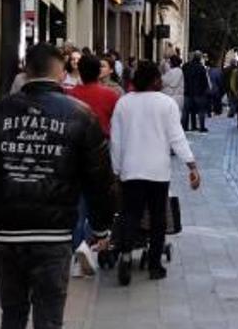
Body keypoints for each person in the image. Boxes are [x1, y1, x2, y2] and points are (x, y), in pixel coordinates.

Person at [0, 43, 115, 329]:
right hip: (54, 235)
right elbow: (99, 178)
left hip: (7, 235)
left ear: (25, 69)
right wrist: (100, 227)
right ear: (61, 73)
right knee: (49, 318)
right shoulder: (80, 115)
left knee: (12, 313)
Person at [110, 61, 201, 285]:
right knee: (158, 218)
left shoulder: (124, 103)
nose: (162, 81)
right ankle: (154, 265)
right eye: (159, 78)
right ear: (154, 80)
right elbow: (176, 137)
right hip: (157, 171)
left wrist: (116, 170)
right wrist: (191, 165)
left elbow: (116, 140)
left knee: (130, 214)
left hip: (131, 170)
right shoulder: (166, 104)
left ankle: (126, 254)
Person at [67, 55, 121, 276]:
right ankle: (94, 242)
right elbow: (118, 128)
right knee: (99, 201)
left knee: (78, 202)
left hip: (74, 151)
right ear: (99, 72)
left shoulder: (69, 95)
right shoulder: (110, 96)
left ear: (79, 71)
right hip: (101, 150)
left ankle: (78, 247)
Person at [182, 52, 210, 133]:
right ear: (199, 58)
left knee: (186, 110)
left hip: (187, 91)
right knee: (201, 110)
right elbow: (204, 80)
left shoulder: (185, 66)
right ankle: (201, 127)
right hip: (199, 92)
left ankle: (185, 126)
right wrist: (205, 90)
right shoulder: (201, 67)